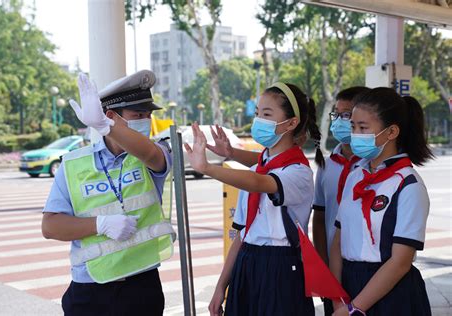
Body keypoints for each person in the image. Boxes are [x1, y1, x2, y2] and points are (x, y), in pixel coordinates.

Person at [41, 71, 176, 316]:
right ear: (111, 115)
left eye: (148, 115)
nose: (146, 121)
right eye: (138, 115)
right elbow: (50, 226)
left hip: (141, 287)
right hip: (90, 289)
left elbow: (150, 156)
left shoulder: (154, 152)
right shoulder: (73, 164)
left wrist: (105, 127)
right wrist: (100, 224)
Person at [185, 82, 324, 316]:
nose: (258, 120)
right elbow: (242, 234)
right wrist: (221, 286)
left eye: (267, 114)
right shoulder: (258, 167)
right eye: (258, 113)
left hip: (281, 268)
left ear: (291, 123)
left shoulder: (298, 172)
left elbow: (262, 184)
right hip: (247, 263)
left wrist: (207, 168)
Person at [329, 88, 433, 316]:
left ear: (392, 132)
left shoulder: (409, 185)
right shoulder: (356, 175)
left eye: (363, 128)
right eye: (353, 126)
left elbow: (400, 262)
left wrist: (355, 308)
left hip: (391, 295)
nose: (355, 134)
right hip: (347, 287)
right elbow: (337, 241)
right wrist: (338, 299)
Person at [312, 87, 370, 315]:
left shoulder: (371, 166)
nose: (340, 121)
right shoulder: (326, 165)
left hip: (365, 266)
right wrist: (323, 263)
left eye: (347, 115)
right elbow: (319, 217)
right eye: (337, 114)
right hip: (333, 270)